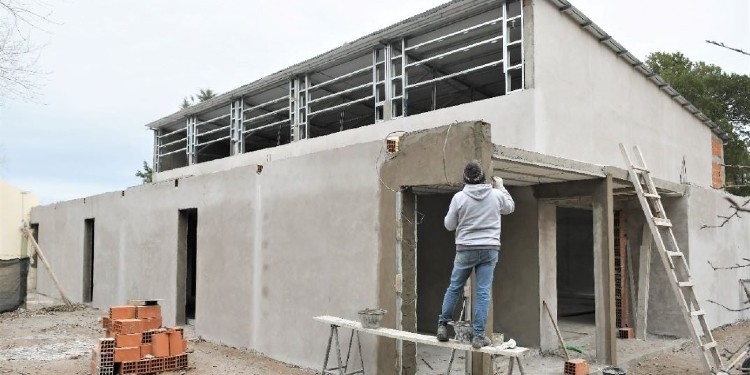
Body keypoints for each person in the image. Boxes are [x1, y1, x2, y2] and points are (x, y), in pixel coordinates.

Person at [437, 160, 515, 349]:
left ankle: (443, 326)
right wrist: (502, 187)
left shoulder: (459, 198)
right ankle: (478, 336)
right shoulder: (496, 195)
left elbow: (449, 225)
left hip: (465, 249)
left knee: (455, 287)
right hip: (489, 249)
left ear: (465, 179)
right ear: (482, 178)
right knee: (482, 293)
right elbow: (510, 207)